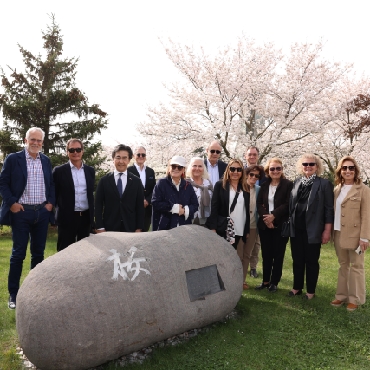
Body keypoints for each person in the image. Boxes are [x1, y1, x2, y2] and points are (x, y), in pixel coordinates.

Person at [0, 127, 55, 309]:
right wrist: (12, 203)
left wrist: (50, 204)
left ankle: (34, 292)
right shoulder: (13, 159)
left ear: (42, 142)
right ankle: (14, 294)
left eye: (39, 141)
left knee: (38, 254)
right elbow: (3, 183)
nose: (36, 143)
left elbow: (51, 185)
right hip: (21, 213)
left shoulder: (46, 161)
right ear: (26, 140)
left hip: (41, 212)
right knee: (18, 253)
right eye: (33, 139)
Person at [288, 153, 334, 299]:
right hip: (297, 228)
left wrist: (327, 230)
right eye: (305, 164)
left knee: (311, 261)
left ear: (317, 166)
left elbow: (328, 209)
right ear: (301, 166)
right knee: (297, 259)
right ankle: (297, 287)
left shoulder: (324, 184)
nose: (308, 167)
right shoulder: (297, 182)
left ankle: (310, 291)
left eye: (311, 164)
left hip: (313, 229)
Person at [330, 156, 370, 311]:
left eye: (351, 168)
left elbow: (366, 215)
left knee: (357, 266)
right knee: (343, 265)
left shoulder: (363, 190)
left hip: (356, 235)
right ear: (340, 171)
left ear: (356, 170)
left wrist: (364, 237)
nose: (348, 171)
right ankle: (341, 296)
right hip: (339, 232)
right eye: (345, 168)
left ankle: (355, 298)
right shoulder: (337, 189)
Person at [255, 158, 293, 293]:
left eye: (278, 168)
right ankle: (265, 281)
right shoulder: (264, 185)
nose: (275, 171)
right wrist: (267, 218)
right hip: (265, 225)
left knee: (278, 254)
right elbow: (258, 203)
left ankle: (274, 282)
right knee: (266, 253)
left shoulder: (288, 185)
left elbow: (288, 204)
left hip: (280, 225)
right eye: (272, 169)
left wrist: (274, 216)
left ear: (282, 170)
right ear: (268, 171)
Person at [53, 139, 95, 251]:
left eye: (78, 149)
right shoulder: (59, 171)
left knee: (85, 251)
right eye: (71, 150)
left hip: (85, 218)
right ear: (67, 152)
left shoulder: (90, 171)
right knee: (64, 251)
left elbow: (91, 195)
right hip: (66, 218)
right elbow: (54, 194)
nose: (75, 152)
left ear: (82, 151)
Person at [95, 144, 144, 233]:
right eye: (118, 157)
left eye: (124, 158)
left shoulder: (136, 181)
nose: (121, 161)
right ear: (113, 159)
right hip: (109, 228)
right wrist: (99, 227)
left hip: (130, 228)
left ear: (129, 160)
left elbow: (140, 206)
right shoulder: (104, 181)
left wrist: (139, 228)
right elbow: (98, 205)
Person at [206, 159, 250, 250]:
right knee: (223, 253)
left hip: (239, 227)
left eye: (239, 169)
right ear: (228, 170)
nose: (235, 172)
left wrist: (247, 229)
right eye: (232, 169)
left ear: (242, 172)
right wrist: (213, 227)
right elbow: (214, 207)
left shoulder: (245, 187)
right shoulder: (220, 185)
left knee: (233, 254)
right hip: (224, 228)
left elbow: (246, 209)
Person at [151, 156, 198, 230]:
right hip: (165, 228)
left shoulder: (188, 186)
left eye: (179, 167)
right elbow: (155, 202)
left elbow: (195, 205)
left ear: (183, 170)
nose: (176, 169)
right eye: (173, 166)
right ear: (169, 168)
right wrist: (173, 208)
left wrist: (185, 210)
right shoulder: (161, 183)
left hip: (184, 227)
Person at [237, 165, 263, 290]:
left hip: (253, 227)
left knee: (247, 254)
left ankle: (242, 281)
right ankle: (234, 280)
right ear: (246, 174)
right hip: (239, 226)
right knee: (238, 254)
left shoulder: (259, 190)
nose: (253, 177)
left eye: (257, 176)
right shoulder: (239, 187)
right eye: (251, 174)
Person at [244, 145, 266, 279]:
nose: (252, 157)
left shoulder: (262, 173)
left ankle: (253, 267)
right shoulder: (240, 171)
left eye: (254, 154)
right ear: (246, 156)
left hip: (256, 217)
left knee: (256, 245)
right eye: (250, 154)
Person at [127, 146, 156, 231]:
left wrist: (147, 200)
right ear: (133, 156)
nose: (141, 157)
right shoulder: (128, 171)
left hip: (147, 209)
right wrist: (139, 201)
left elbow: (154, 189)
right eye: (138, 154)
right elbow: (127, 190)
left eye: (143, 155)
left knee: (144, 233)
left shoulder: (151, 171)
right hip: (133, 209)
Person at [185, 157, 213, 226]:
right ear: (190, 168)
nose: (197, 168)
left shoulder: (208, 184)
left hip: (206, 221)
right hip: (189, 221)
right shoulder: (185, 184)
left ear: (203, 169)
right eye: (194, 166)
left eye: (200, 166)